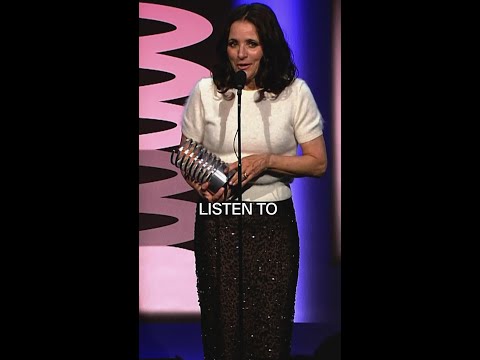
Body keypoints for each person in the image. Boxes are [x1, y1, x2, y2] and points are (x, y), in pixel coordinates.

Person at [178, 3, 327, 359]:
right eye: (233, 44)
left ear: (268, 47)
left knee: (269, 333)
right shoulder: (206, 92)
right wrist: (198, 183)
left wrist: (268, 162)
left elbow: (318, 163)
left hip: (272, 226)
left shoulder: (294, 93)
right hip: (217, 226)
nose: (241, 54)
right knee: (222, 331)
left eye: (251, 44)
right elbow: (185, 152)